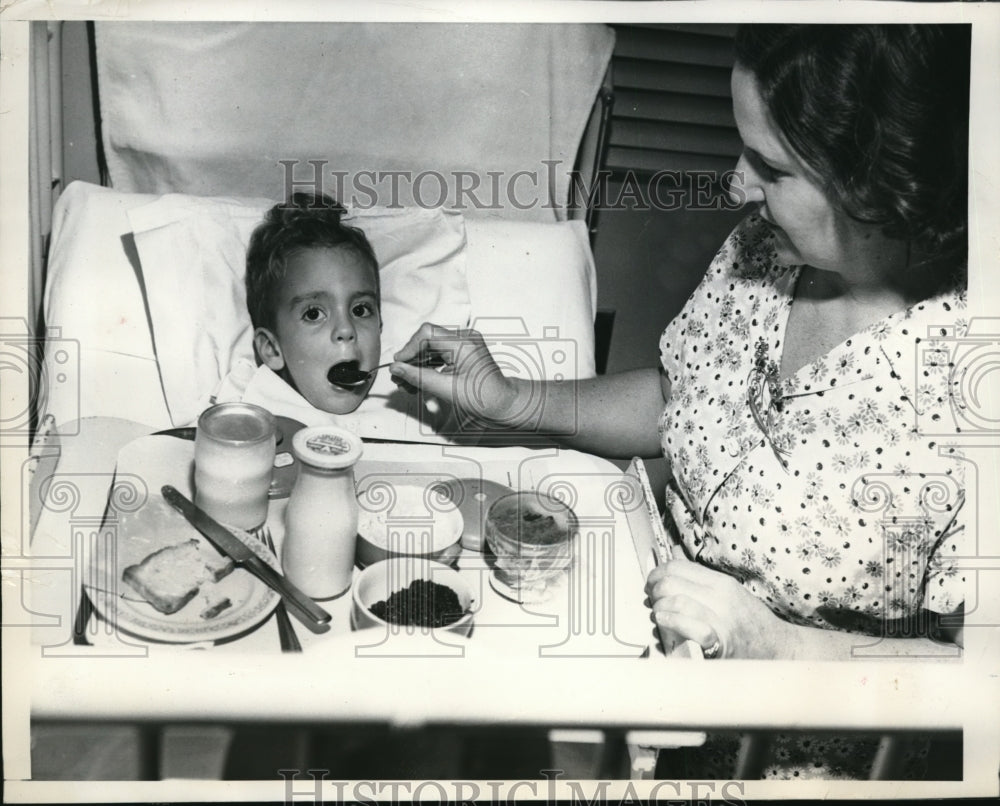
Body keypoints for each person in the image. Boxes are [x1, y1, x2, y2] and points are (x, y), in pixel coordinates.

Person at [389, 24, 970, 779]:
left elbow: (978, 670)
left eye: (769, 165)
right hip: (647, 679)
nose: (734, 183)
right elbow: (682, 400)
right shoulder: (766, 252)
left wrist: (777, 647)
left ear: (879, 182)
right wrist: (507, 399)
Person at [244, 192, 382, 415]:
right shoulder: (244, 412)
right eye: (313, 314)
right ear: (271, 349)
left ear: (380, 326)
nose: (346, 330)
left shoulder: (410, 399)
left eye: (360, 310)